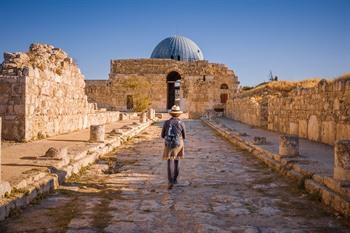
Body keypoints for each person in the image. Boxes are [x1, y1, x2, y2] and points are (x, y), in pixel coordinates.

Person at [161, 105, 186, 189]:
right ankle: (175, 180)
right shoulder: (181, 123)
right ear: (178, 114)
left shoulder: (166, 122)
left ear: (171, 114)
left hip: (168, 143)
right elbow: (184, 136)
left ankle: (170, 180)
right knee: (177, 160)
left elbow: (162, 135)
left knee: (169, 161)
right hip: (178, 143)